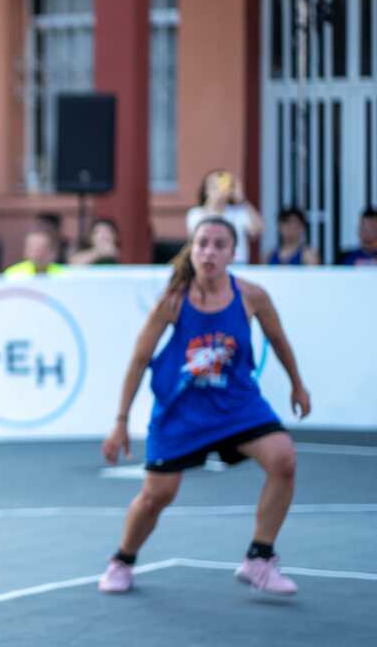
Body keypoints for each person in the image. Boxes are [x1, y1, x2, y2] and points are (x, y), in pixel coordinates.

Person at [98, 216, 311, 596]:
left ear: (233, 253)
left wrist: (297, 384)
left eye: (218, 245)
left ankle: (259, 558)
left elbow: (278, 340)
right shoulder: (174, 301)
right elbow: (138, 359)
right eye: (202, 244)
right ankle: (122, 559)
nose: (209, 252)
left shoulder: (252, 296)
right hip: (182, 411)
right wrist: (120, 420)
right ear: (192, 251)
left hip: (236, 404)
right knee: (157, 495)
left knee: (284, 458)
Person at [186, 169, 262, 265]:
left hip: (237, 263)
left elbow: (257, 231)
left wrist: (243, 200)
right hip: (208, 264)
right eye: (215, 186)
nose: (219, 189)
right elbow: (195, 241)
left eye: (223, 184)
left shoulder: (239, 212)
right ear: (206, 189)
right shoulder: (195, 214)